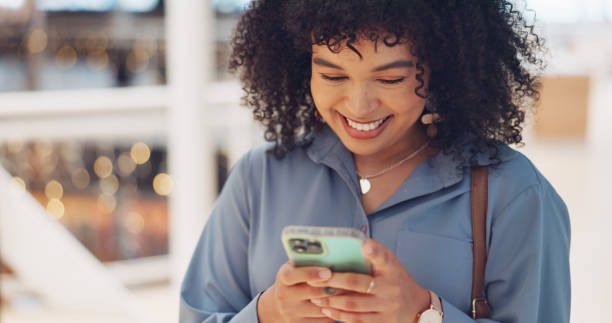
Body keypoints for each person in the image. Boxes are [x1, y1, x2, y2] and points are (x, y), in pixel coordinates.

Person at [180, 1, 571, 322]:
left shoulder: (513, 192)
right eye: (333, 76)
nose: (358, 106)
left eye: (390, 79)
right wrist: (267, 312)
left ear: (440, 69)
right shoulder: (260, 176)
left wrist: (424, 313)